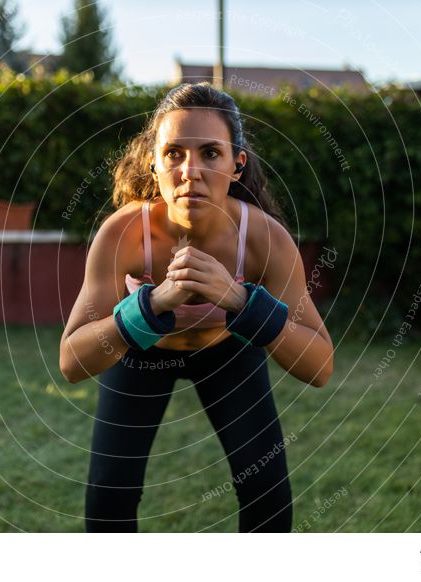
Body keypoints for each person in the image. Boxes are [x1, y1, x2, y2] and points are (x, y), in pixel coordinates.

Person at [59, 82, 333, 532]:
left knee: (268, 491)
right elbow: (72, 361)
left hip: (228, 349)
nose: (191, 170)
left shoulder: (264, 239)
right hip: (142, 354)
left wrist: (241, 301)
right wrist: (154, 304)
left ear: (237, 164)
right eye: (174, 154)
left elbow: (319, 366)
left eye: (210, 153)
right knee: (109, 493)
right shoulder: (124, 234)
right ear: (154, 161)